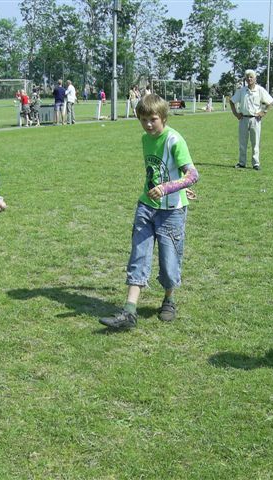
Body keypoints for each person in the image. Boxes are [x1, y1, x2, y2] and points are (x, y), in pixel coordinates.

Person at [99, 94, 199, 330]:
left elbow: (193, 175)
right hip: (146, 206)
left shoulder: (174, 140)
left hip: (171, 211)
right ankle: (129, 312)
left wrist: (169, 188)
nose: (148, 124)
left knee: (169, 259)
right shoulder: (145, 139)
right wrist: (165, 186)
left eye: (153, 119)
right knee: (139, 255)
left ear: (164, 117)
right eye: (143, 119)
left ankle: (169, 300)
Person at [229, 70, 273, 171]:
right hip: (243, 118)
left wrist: (263, 112)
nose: (249, 79)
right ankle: (242, 162)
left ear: (255, 78)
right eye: (247, 77)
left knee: (255, 142)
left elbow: (270, 102)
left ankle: (256, 163)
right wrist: (236, 114)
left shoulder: (260, 90)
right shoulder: (241, 91)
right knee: (242, 143)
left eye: (251, 77)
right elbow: (232, 101)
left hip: (255, 119)